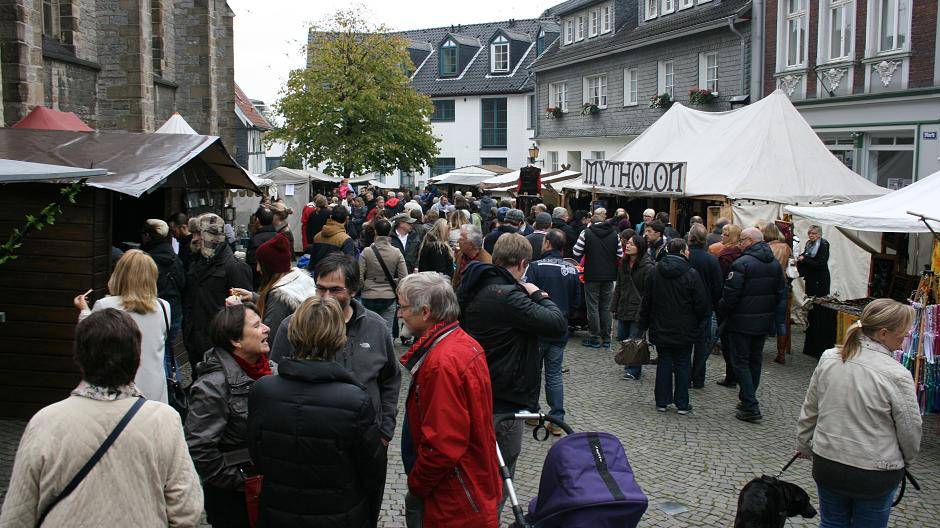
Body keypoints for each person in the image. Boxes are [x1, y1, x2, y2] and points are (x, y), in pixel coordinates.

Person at [0, 309, 203, 526]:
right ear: (136, 357)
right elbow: (186, 508)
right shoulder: (164, 420)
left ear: (79, 357)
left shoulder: (45, 421)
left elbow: (18, 515)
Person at [248, 297, 385, 527]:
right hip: (339, 514)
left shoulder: (263, 390)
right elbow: (371, 470)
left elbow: (257, 452)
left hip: (279, 511)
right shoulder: (355, 401)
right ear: (338, 337)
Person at [457, 233, 566, 513]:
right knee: (501, 471)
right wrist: (538, 294)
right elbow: (557, 324)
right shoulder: (509, 296)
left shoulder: (477, 284)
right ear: (522, 263)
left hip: (479, 385)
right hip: (503, 394)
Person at [796, 299, 921, 528]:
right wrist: (907, 461)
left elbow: (810, 407)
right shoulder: (897, 374)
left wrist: (803, 443)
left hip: (828, 463)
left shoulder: (829, 357)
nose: (905, 337)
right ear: (883, 333)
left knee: (832, 523)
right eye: (902, 333)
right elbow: (910, 429)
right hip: (873, 473)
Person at [269, 254, 402, 454]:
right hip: (311, 441)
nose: (326, 296)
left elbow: (390, 379)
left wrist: (384, 431)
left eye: (335, 290)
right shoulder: (293, 325)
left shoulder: (376, 327)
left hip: (366, 440)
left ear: (354, 290)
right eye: (320, 288)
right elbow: (275, 375)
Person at [398, 272, 501, 527]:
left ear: (425, 312)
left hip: (454, 495)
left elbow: (443, 445)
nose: (399, 314)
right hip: (469, 484)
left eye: (402, 308)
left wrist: (417, 483)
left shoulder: (441, 363)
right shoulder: (464, 343)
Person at [186, 303, 275, 527]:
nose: (267, 329)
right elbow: (200, 450)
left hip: (269, 489)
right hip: (234, 499)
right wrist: (242, 482)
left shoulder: (272, 370)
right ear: (236, 341)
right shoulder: (212, 387)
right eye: (257, 326)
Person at [74, 249, 169, 403]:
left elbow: (90, 337)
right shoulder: (164, 307)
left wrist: (84, 310)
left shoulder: (105, 305)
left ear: (120, 274)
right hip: (154, 386)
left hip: (117, 388)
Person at [720, 227, 787, 423]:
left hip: (741, 321)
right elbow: (780, 295)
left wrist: (723, 310)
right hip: (762, 321)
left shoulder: (741, 264)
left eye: (741, 240)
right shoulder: (774, 264)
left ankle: (750, 404)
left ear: (749, 241)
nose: (739, 244)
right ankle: (747, 399)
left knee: (740, 362)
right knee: (754, 361)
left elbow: (730, 295)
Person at [639, 239, 709, 414]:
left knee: (664, 362)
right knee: (683, 363)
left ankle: (662, 401)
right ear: (684, 251)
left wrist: (643, 324)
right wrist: (700, 321)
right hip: (685, 327)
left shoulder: (655, 272)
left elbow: (647, 301)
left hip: (660, 324)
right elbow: (701, 304)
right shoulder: (692, 274)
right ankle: (682, 403)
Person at [524, 229, 582, 433]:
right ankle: (556, 419)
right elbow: (577, 302)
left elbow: (525, 296)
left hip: (538, 326)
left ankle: (532, 412)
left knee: (533, 371)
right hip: (560, 328)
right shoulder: (572, 270)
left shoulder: (535, 267)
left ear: (547, 243)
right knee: (554, 374)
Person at [183, 213, 253, 370]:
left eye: (198, 234)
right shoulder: (196, 261)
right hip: (195, 342)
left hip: (220, 347)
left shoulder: (234, 267)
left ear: (211, 235)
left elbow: (244, 313)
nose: (194, 239)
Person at [230, 231, 316, 337]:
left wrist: (239, 311)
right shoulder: (299, 280)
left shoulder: (279, 298)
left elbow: (268, 338)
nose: (257, 269)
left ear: (270, 267)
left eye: (260, 264)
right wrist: (253, 296)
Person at [140, 219, 186, 379]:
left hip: (155, 312)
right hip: (175, 312)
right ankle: (176, 384)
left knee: (163, 355)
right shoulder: (175, 258)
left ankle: (171, 390)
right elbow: (182, 284)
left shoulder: (147, 261)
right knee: (168, 351)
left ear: (147, 236)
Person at [573, 211, 623, 348]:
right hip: (609, 275)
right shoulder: (615, 234)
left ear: (592, 222)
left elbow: (576, 252)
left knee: (592, 307)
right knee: (606, 307)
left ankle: (595, 337)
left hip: (592, 274)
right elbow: (620, 254)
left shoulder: (586, 233)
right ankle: (606, 339)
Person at [612, 233, 654, 380]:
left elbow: (648, 292)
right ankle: (629, 362)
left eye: (631, 244)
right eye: (627, 243)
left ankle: (634, 370)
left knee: (635, 339)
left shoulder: (648, 267)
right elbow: (619, 286)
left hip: (638, 308)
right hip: (624, 305)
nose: (627, 246)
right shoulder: (623, 263)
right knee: (623, 337)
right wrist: (614, 305)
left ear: (640, 247)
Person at [687, 224, 723, 389]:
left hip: (685, 306)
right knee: (701, 345)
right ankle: (698, 378)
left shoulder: (685, 257)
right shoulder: (711, 259)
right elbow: (717, 286)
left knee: (685, 345)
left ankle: (685, 376)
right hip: (705, 307)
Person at [359, 218, 409, 332]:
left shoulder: (366, 251)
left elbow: (359, 275)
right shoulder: (396, 252)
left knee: (367, 330)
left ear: (375, 232)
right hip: (388, 296)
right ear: (389, 232)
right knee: (387, 331)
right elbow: (404, 277)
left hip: (369, 295)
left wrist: (364, 287)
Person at [798, 225, 832, 359]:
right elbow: (805, 255)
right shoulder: (809, 244)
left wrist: (804, 260)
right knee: (811, 306)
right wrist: (801, 258)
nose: (811, 235)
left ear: (819, 234)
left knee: (818, 306)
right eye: (809, 233)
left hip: (820, 280)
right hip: (811, 279)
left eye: (813, 233)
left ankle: (818, 339)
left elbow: (820, 263)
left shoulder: (823, 245)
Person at [762, 222, 793, 364]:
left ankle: (757, 348)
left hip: (768, 286)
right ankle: (781, 353)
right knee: (782, 320)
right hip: (783, 284)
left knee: (762, 316)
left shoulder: (765, 248)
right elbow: (791, 266)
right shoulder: (786, 247)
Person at [246, 206, 278, 289]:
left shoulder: (256, 240)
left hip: (261, 282)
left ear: (257, 220)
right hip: (277, 279)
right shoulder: (279, 237)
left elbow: (252, 265)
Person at [453, 224, 492, 291]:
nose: (458, 241)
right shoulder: (461, 254)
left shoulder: (486, 264)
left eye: (461, 239)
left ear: (471, 245)